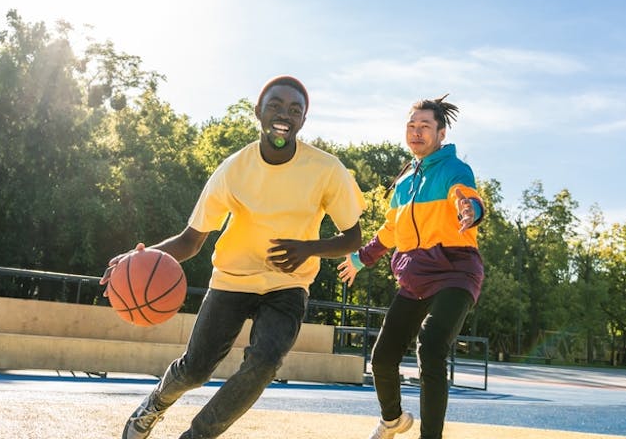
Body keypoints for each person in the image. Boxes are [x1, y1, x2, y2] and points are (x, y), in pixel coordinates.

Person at [101, 75, 364, 439]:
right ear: (258, 111)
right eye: (275, 105)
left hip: (288, 282)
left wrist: (309, 248)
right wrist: (133, 258)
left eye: (294, 109)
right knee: (195, 370)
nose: (283, 114)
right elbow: (191, 240)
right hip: (233, 278)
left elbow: (354, 236)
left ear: (303, 120)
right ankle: (156, 403)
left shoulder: (326, 169)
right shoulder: (233, 170)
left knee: (265, 362)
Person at [337, 95, 485, 439]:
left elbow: (466, 195)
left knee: (431, 345)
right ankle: (392, 419)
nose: (416, 132)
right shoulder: (403, 183)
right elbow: (391, 230)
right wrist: (361, 258)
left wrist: (470, 210)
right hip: (416, 277)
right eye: (411, 126)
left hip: (456, 270)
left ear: (441, 133)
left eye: (425, 126)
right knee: (382, 357)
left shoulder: (454, 169)